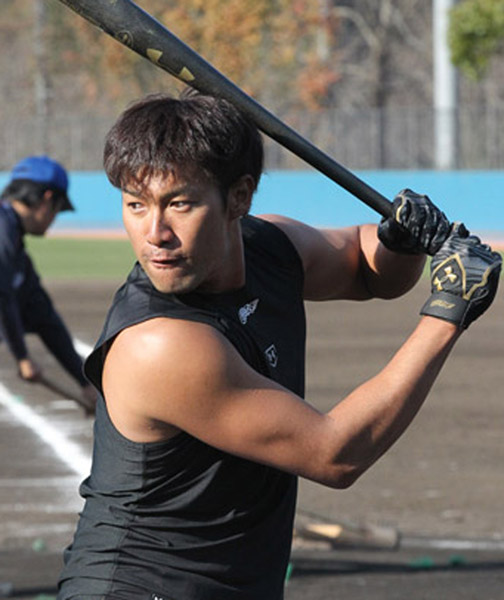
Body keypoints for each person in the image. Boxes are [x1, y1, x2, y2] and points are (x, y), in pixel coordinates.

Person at [57, 91, 501, 600]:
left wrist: (401, 243)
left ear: (239, 198)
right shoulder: (159, 343)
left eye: (179, 203)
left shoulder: (269, 246)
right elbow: (336, 455)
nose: (155, 233)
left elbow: (367, 269)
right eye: (136, 205)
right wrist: (448, 312)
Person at [0, 156, 97, 415]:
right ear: (46, 199)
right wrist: (22, 357)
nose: (54, 219)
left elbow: (43, 316)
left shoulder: (14, 248)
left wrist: (84, 382)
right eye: (57, 209)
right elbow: (2, 296)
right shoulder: (3, 231)